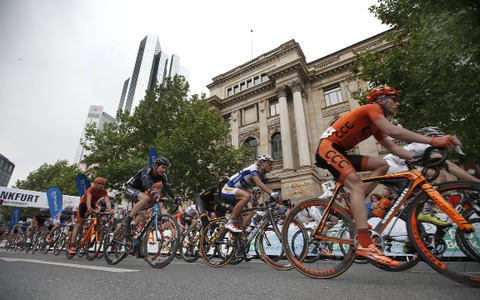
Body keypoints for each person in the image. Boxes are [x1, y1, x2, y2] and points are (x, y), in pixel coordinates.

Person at [315, 85, 460, 267]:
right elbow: (394, 131)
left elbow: (393, 148)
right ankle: (365, 244)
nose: (397, 103)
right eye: (394, 98)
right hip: (327, 148)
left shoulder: (375, 125)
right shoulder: (372, 108)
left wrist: (422, 158)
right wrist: (434, 140)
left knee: (382, 164)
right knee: (358, 186)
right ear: (382, 99)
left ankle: (354, 204)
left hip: (340, 151)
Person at [384, 126, 480, 226]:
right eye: (443, 139)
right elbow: (450, 167)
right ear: (433, 136)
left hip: (391, 167)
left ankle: (413, 217)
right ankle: (426, 211)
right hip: (392, 166)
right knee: (439, 176)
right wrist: (476, 182)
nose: (448, 144)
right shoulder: (426, 146)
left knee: (423, 189)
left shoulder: (419, 146)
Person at [122, 156, 182, 236]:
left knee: (143, 215)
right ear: (156, 166)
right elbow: (145, 182)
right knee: (146, 198)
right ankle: (127, 220)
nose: (164, 170)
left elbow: (168, 187)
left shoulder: (163, 176)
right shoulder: (147, 170)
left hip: (141, 193)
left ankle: (135, 237)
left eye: (166, 168)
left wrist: (175, 197)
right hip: (131, 188)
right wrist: (152, 191)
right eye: (163, 167)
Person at [222, 154, 282, 232]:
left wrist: (281, 199)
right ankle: (230, 222)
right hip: (228, 189)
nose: (271, 166)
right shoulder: (253, 168)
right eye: (269, 164)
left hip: (236, 194)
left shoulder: (263, 176)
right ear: (262, 164)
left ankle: (238, 236)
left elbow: (268, 189)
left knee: (247, 214)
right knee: (247, 196)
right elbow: (258, 183)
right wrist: (271, 193)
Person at [69, 177, 113, 255]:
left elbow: (107, 201)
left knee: (99, 215)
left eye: (103, 184)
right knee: (78, 224)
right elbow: (88, 199)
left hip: (93, 205)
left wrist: (110, 210)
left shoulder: (104, 191)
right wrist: (89, 208)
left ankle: (92, 234)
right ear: (95, 183)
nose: (101, 186)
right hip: (84, 204)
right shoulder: (91, 189)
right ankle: (72, 246)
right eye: (99, 184)